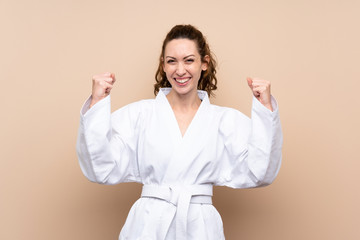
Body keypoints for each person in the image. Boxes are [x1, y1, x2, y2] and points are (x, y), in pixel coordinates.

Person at [76, 24, 283, 240]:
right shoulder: (139, 115)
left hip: (200, 227)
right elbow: (99, 167)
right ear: (163, 65)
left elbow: (261, 171)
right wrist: (97, 103)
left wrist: (264, 109)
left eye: (189, 60)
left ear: (204, 63)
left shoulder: (225, 121)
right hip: (148, 226)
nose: (180, 70)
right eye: (172, 61)